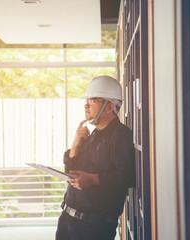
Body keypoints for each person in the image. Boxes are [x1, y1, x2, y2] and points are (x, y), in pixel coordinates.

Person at [56, 75, 135, 240]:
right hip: (67, 223)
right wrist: (76, 144)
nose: (86, 104)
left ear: (109, 107)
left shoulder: (121, 135)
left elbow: (127, 176)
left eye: (92, 100)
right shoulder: (92, 135)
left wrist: (93, 179)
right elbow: (71, 173)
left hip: (92, 229)